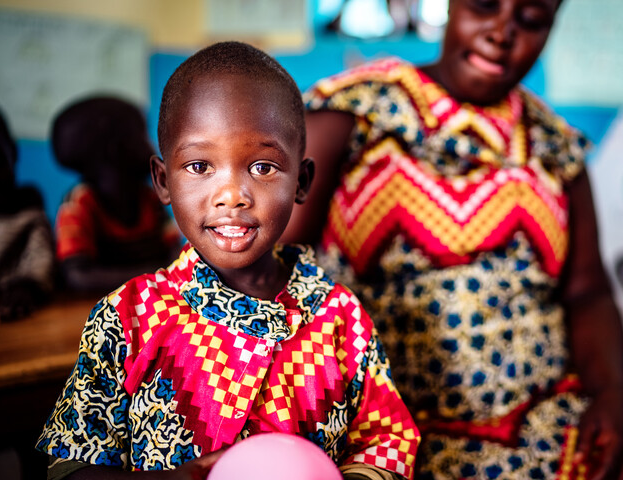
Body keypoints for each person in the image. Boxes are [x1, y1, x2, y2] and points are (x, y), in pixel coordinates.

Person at [36, 41, 420, 480]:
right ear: (163, 182)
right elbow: (70, 466)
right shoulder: (126, 319)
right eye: (199, 166)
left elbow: (386, 442)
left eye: (262, 167)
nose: (232, 195)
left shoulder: (340, 319)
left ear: (302, 181)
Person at [282, 0, 623, 478]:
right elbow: (274, 262)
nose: (501, 32)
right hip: (379, 429)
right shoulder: (353, 112)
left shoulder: (555, 148)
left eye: (531, 19)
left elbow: (587, 293)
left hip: (539, 430)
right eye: (485, 5)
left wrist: (611, 393)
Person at [51, 96, 181, 294]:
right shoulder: (79, 205)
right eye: (143, 135)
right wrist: (154, 276)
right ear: (116, 149)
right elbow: (77, 277)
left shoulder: (150, 198)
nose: (153, 144)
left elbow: (174, 254)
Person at [0, 98, 55, 323]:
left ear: (13, 153)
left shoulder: (29, 210)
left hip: (23, 319)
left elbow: (40, 259)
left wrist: (29, 287)